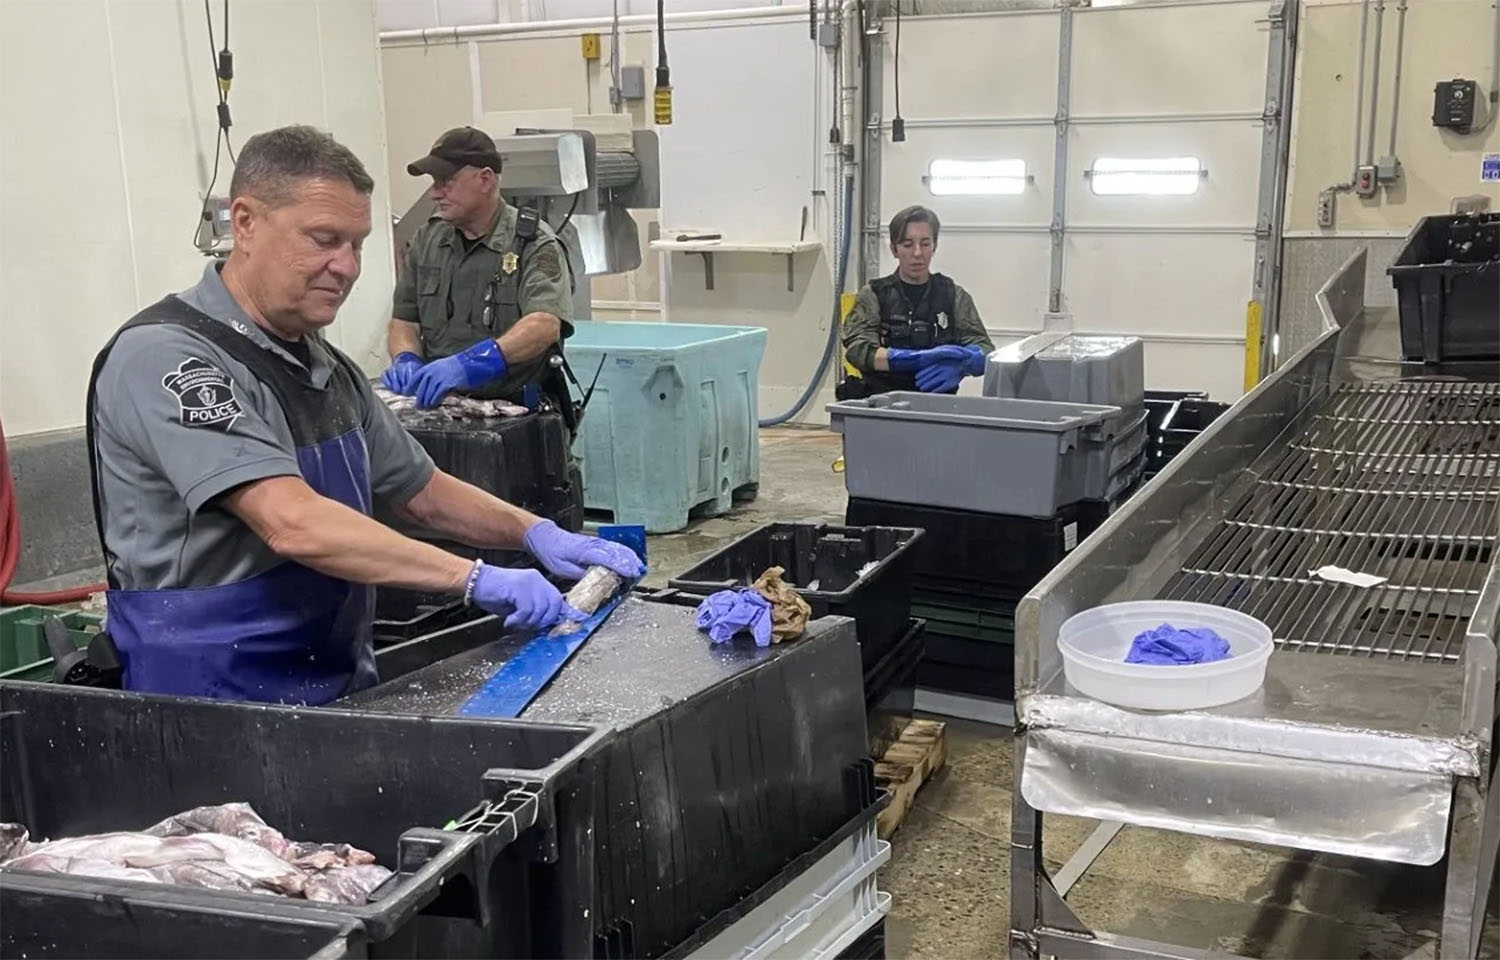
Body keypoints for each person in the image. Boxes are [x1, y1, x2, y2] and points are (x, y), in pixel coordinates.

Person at [87, 125, 642, 706]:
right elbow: (292, 522)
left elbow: (419, 490)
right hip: (207, 699)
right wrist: (474, 578)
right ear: (245, 223)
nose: (347, 267)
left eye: (357, 243)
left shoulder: (324, 366)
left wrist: (534, 531)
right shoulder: (170, 358)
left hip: (332, 681)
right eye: (324, 239)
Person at [382, 127, 574, 415]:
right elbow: (404, 321)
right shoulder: (428, 240)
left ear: (485, 179)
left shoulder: (532, 242)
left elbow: (544, 324)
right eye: (434, 182)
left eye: (446, 181)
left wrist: (475, 362)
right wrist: (406, 357)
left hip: (519, 413)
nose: (435, 193)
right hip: (444, 410)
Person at [839, 205, 994, 397]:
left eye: (925, 243)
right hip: (881, 406)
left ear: (934, 246)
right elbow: (857, 350)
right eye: (907, 244)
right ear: (894, 249)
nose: (917, 253)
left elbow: (985, 349)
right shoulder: (874, 295)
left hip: (938, 407)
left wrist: (963, 364)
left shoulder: (954, 295)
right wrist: (913, 359)